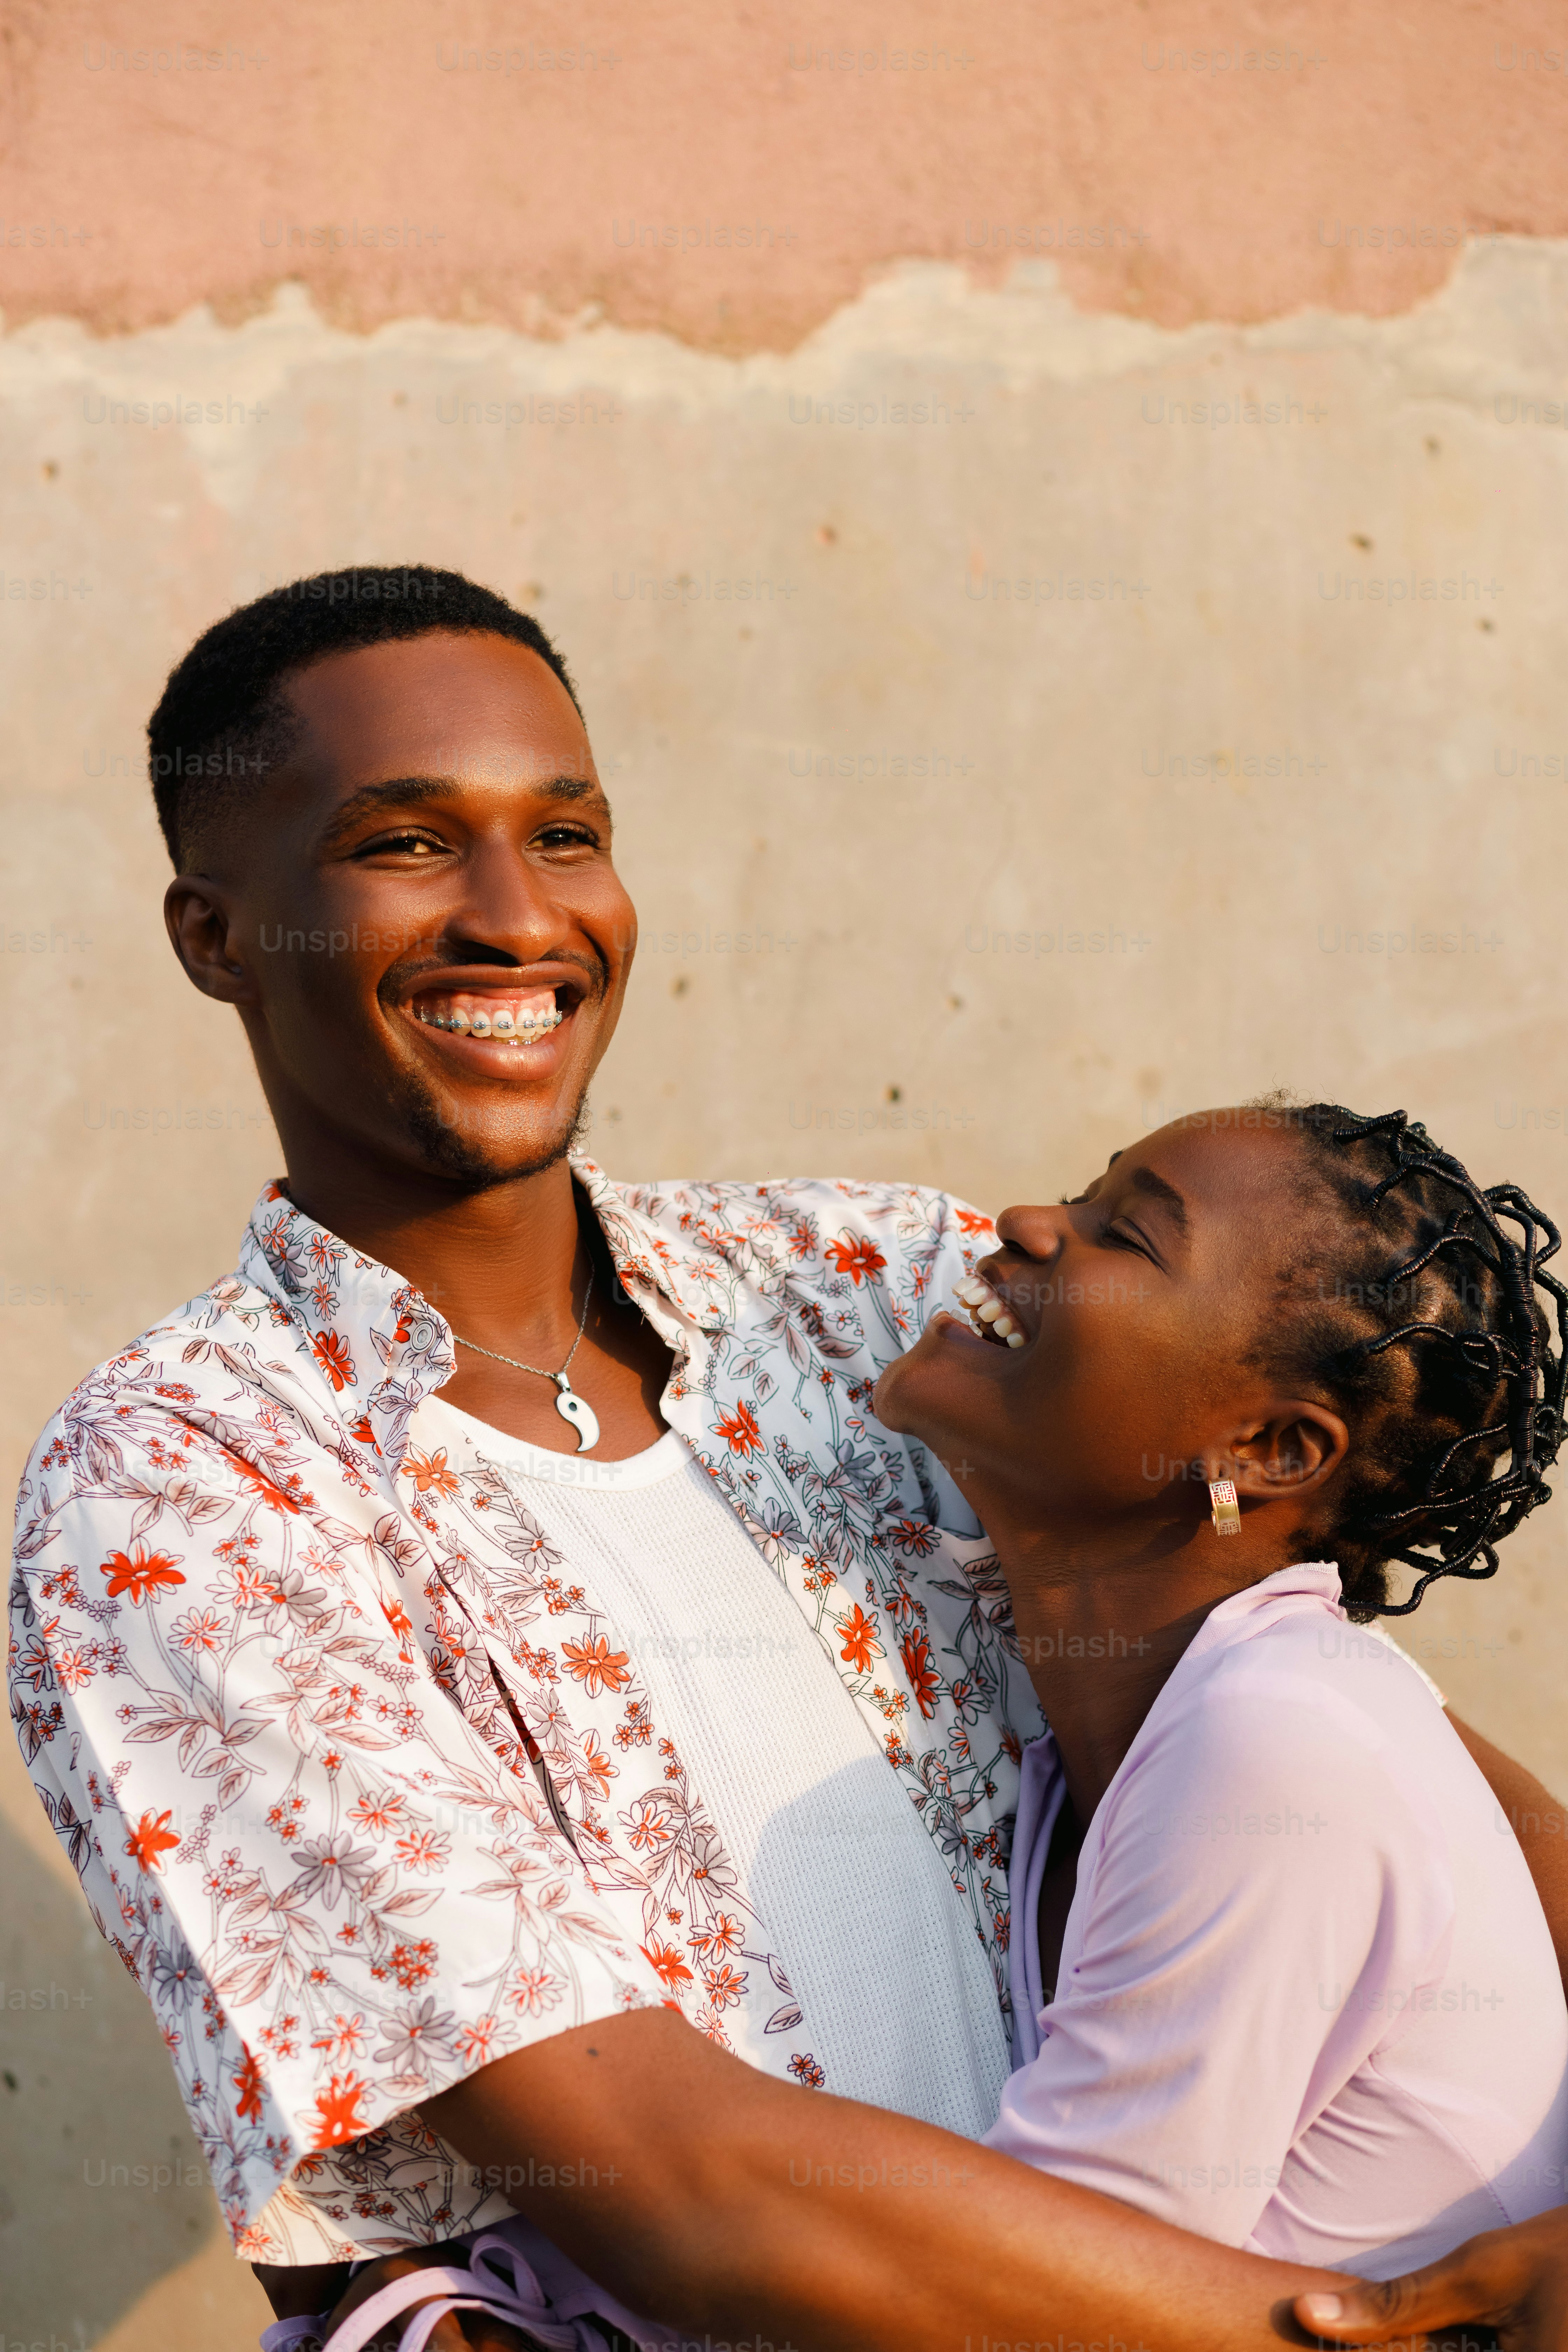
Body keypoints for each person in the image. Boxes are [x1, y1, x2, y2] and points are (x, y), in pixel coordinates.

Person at [7, 565, 1568, 2352]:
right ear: (216, 937)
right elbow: (694, 2199)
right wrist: (1407, 2333)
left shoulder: (869, 1288)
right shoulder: (187, 1487)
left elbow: (1384, 1772)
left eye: (567, 834)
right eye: (407, 845)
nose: (517, 918)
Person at [875, 1101, 1568, 2273]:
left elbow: (1038, 2293)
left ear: (1269, 1452)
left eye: (1128, 1236)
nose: (1030, 1222)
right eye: (1086, 1194)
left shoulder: (1277, 1740)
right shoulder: (1116, 1747)